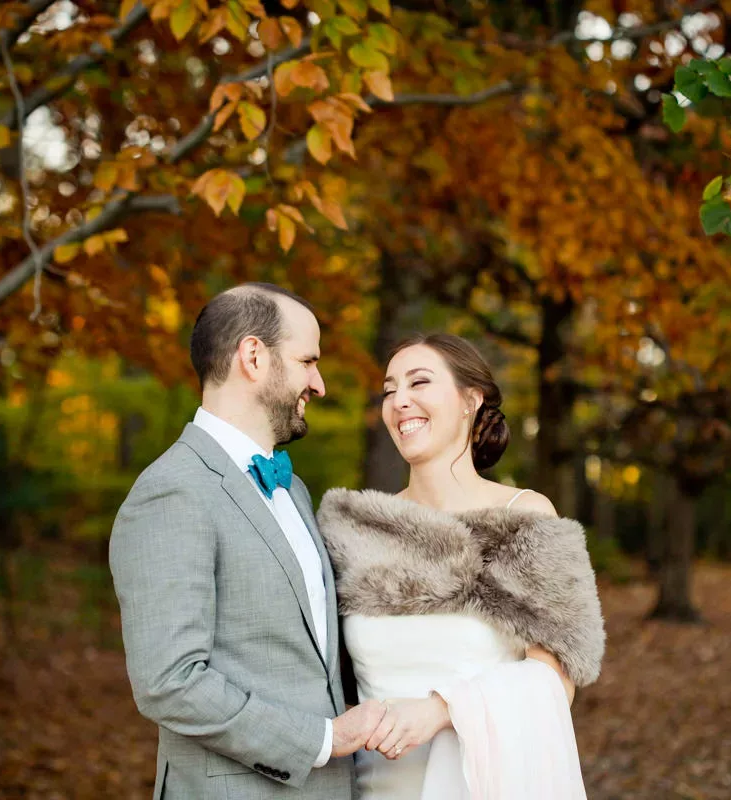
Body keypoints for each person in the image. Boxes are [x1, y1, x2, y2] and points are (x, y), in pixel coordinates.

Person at [110, 283, 386, 799]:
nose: (320, 384)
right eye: (308, 361)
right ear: (254, 357)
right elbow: (170, 682)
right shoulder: (172, 492)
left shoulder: (294, 489)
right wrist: (323, 738)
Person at [318, 333, 606, 799]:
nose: (400, 401)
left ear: (471, 400)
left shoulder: (526, 517)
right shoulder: (355, 529)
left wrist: (443, 710)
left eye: (419, 383)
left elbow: (555, 680)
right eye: (391, 389)